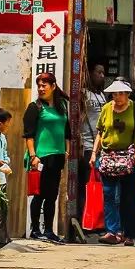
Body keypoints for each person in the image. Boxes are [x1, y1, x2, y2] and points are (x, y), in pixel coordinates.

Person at [91, 79, 135, 246]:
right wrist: (93, 153)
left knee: (128, 197)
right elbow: (100, 133)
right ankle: (112, 231)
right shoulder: (106, 109)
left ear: (127, 94)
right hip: (108, 157)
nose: (117, 97)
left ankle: (128, 233)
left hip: (128, 159)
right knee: (109, 194)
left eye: (120, 93)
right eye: (114, 94)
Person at [22, 72, 70, 243]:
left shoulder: (62, 106)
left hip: (57, 156)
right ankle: (35, 229)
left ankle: (49, 230)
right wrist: (33, 155)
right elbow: (29, 134)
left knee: (52, 195)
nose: (41, 89)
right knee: (39, 194)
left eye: (45, 85)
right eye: (39, 86)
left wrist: (66, 150)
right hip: (40, 156)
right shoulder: (35, 107)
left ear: (53, 86)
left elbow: (67, 131)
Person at [79, 64, 108, 232]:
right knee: (88, 186)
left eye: (103, 72)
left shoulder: (102, 96)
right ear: (89, 74)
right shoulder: (84, 94)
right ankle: (87, 221)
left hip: (102, 146)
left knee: (100, 187)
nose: (102, 76)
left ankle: (98, 221)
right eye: (98, 72)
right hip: (89, 146)